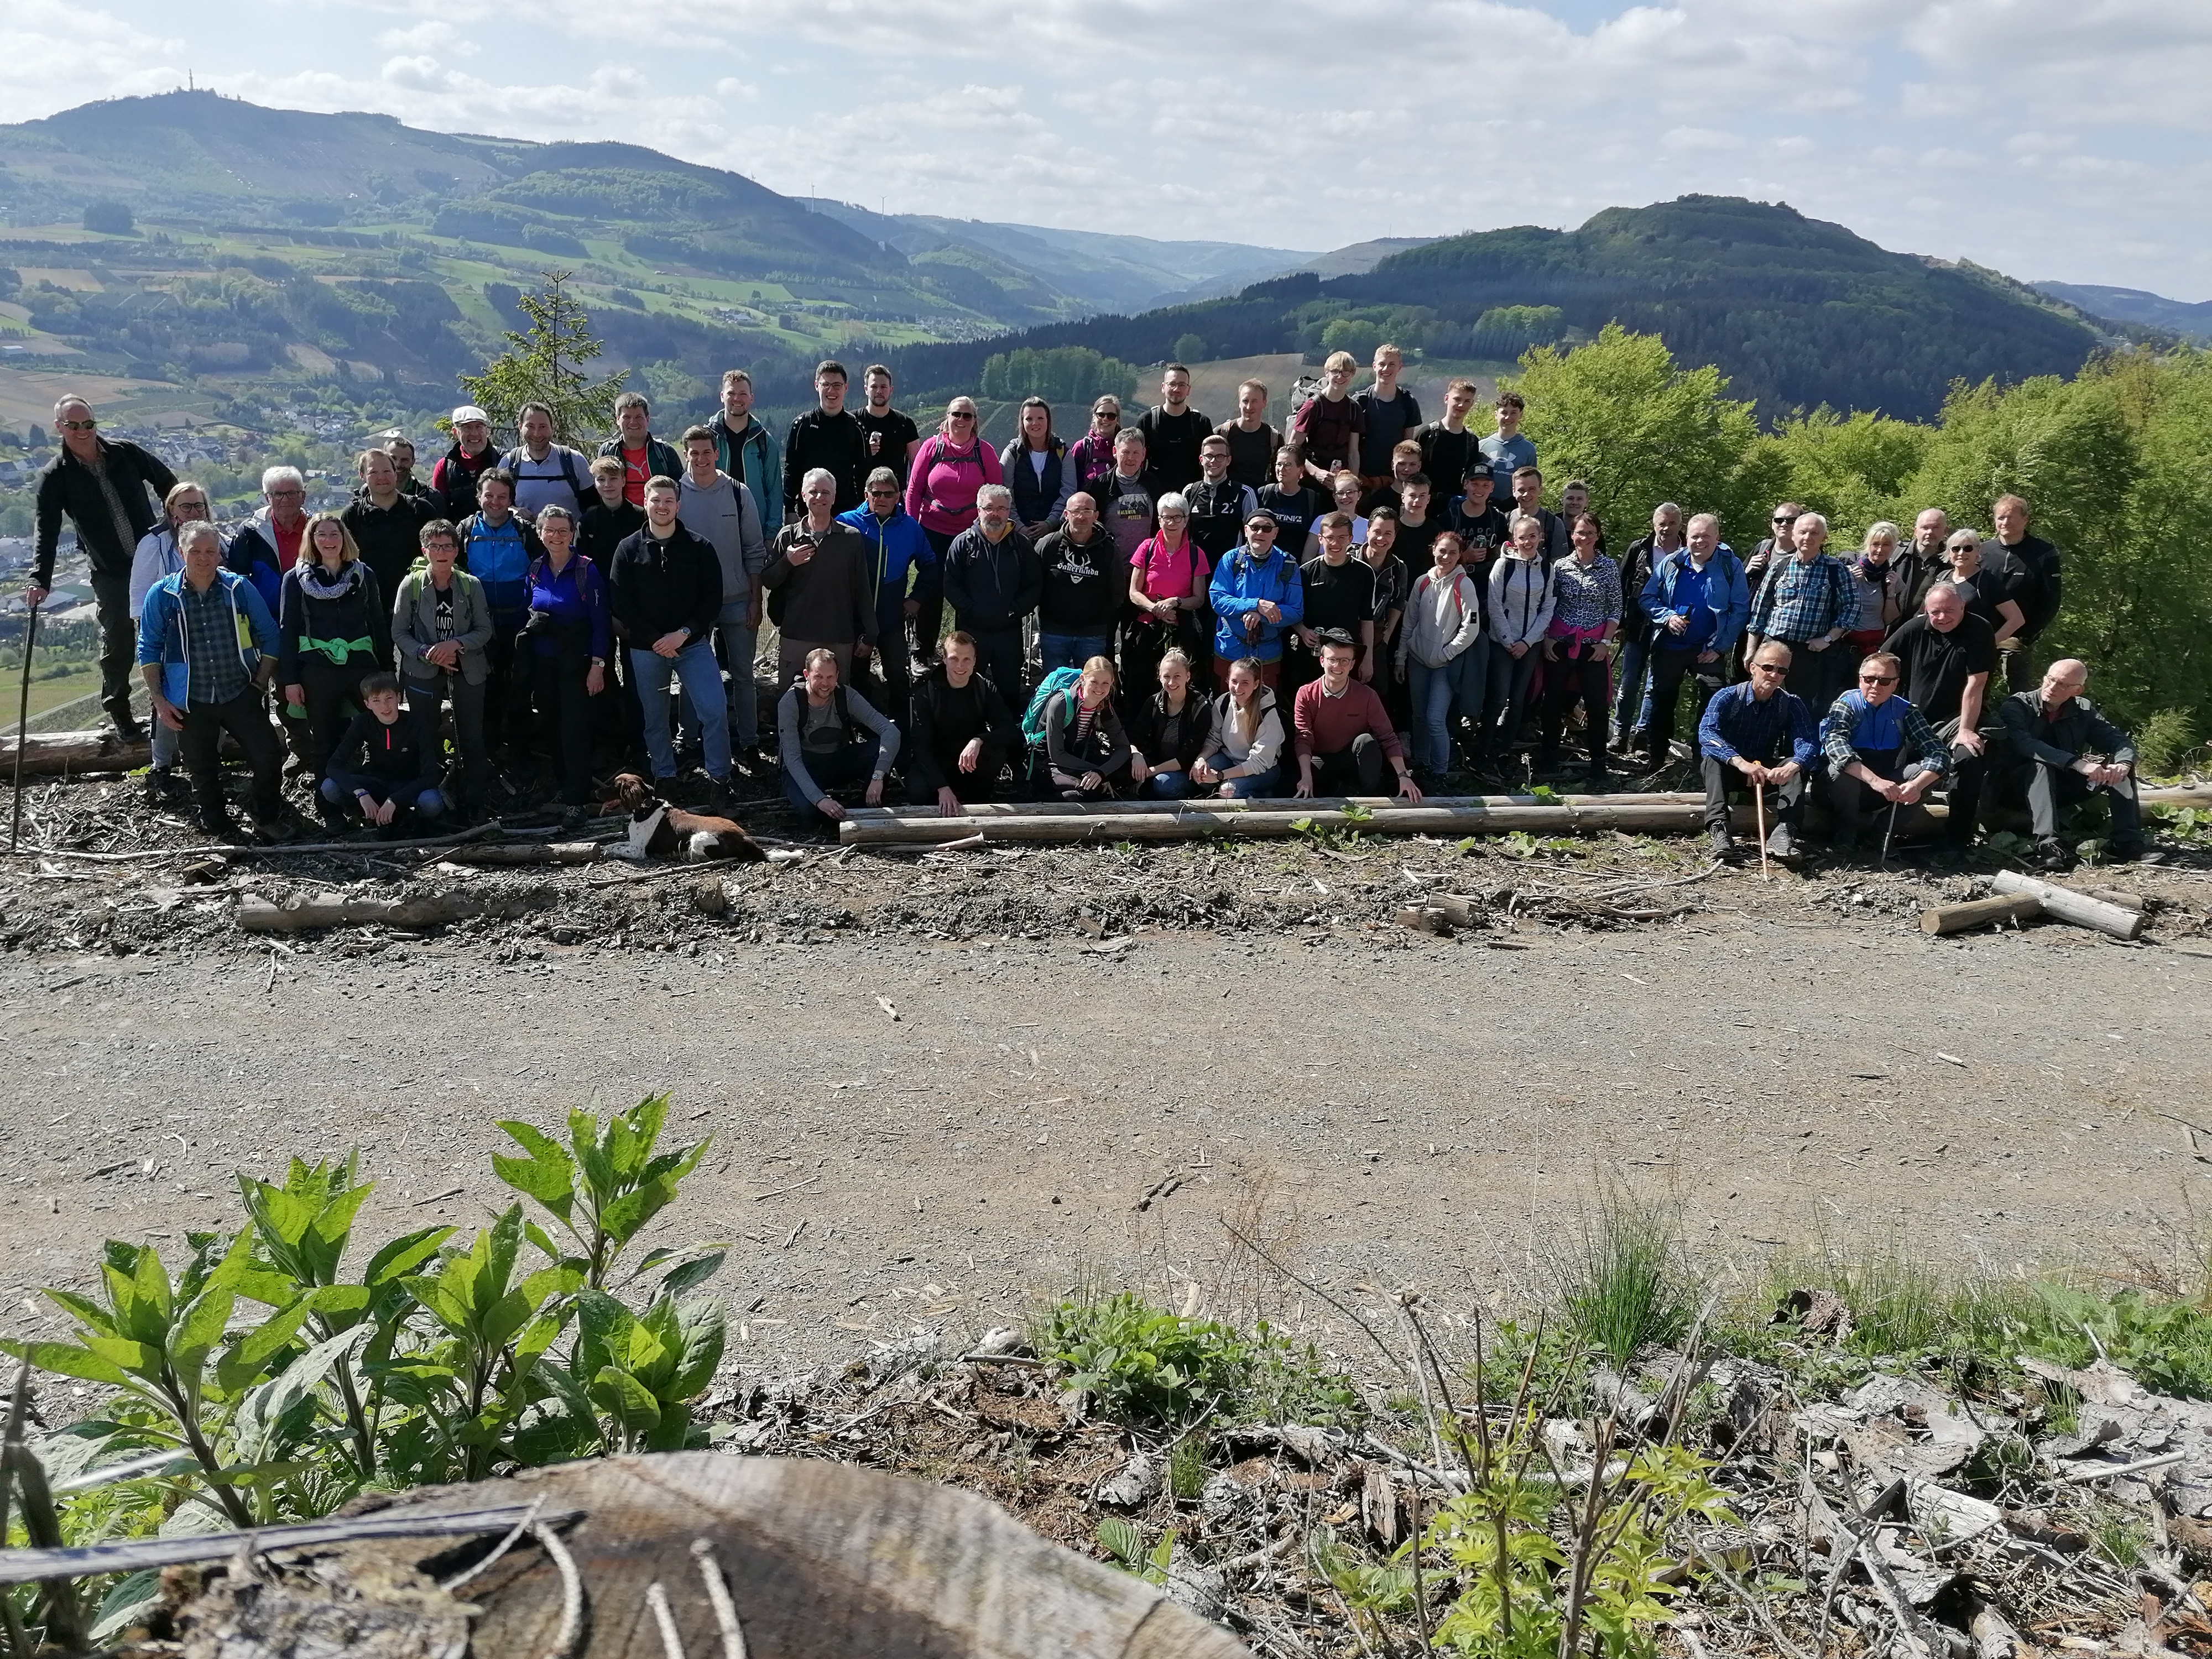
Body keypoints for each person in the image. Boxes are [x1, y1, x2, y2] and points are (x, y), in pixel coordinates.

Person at [136, 521, 287, 843]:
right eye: (195, 551)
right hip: (190, 699)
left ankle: (265, 816)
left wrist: (259, 685)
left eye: (211, 551)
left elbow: (271, 635)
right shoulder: (162, 596)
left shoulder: (238, 589)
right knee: (202, 770)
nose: (203, 558)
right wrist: (160, 702)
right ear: (181, 552)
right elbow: (148, 648)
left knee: (269, 756)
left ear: (220, 554)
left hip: (239, 691)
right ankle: (218, 827)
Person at [608, 475, 729, 790]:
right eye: (655, 500)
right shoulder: (627, 549)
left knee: (714, 710)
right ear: (645, 503)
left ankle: (719, 777)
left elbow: (712, 599)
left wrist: (684, 633)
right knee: (655, 719)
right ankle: (665, 774)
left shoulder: (700, 547)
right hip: (647, 650)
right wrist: (654, 639)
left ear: (679, 504)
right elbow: (621, 601)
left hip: (692, 645)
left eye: (668, 501)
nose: (662, 506)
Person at [278, 512, 391, 825]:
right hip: (317, 670)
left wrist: (388, 671)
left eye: (335, 534)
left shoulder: (363, 575)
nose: (329, 541)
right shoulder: (295, 579)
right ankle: (329, 807)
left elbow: (378, 623)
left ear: (345, 539)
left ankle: (383, 801)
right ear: (312, 541)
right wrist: (290, 680)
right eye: (322, 535)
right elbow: (288, 631)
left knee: (380, 733)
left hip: (361, 668)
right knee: (324, 742)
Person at [1995, 659, 2156, 869]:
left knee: (2121, 766)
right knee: (2041, 766)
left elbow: (2118, 741)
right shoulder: (2017, 706)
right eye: (2050, 680)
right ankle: (2049, 847)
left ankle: (2128, 843)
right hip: (2012, 788)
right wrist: (2076, 763)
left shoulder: (2083, 710)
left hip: (2062, 787)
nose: (2052, 688)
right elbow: (2026, 745)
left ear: (2078, 690)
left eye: (2062, 685)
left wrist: (2123, 763)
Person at [1881, 583, 1996, 863]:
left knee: (1968, 756)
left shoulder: (1978, 629)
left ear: (1962, 607)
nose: (1942, 617)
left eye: (1949, 611)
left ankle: (1957, 838)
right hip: (1913, 715)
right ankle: (1879, 832)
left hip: (1956, 717)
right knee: (1891, 761)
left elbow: (1976, 683)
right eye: (1936, 612)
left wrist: (1967, 729)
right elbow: (1882, 661)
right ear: (1926, 611)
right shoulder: (1914, 628)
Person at [391, 519, 494, 819]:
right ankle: (431, 800)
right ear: (425, 550)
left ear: (457, 551)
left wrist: (456, 645)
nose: (442, 552)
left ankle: (473, 802)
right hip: (422, 671)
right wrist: (427, 653)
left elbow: (484, 630)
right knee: (426, 736)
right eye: (435, 546)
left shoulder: (470, 585)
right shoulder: (410, 586)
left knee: (471, 737)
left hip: (468, 669)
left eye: (448, 546)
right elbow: (399, 633)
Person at [677, 426, 769, 759]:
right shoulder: (675, 493)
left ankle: (749, 742)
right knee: (692, 677)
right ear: (686, 454)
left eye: (707, 452)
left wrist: (755, 600)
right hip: (692, 606)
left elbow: (754, 550)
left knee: (745, 675)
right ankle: (688, 742)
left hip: (737, 599)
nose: (701, 459)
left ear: (717, 453)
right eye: (694, 452)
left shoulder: (737, 492)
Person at [521, 504, 611, 825]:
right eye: (550, 530)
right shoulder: (534, 569)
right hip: (544, 661)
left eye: (563, 530)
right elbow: (528, 613)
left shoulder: (588, 571)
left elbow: (602, 624)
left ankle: (577, 799)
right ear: (540, 533)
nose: (556, 536)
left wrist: (598, 666)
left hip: (579, 663)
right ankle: (564, 786)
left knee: (575, 729)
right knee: (552, 725)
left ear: (573, 534)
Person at [1638, 513, 1750, 769]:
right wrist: (1667, 617)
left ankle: (1704, 758)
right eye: (1695, 536)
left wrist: (1720, 647)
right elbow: (1647, 598)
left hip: (1707, 649)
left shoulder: (1729, 566)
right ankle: (1656, 758)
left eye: (1706, 537)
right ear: (1686, 538)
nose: (1700, 541)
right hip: (1670, 645)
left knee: (1714, 698)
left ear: (1717, 538)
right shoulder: (1671, 563)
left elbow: (1740, 609)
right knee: (1662, 700)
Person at [128, 479, 216, 799]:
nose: (194, 512)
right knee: (165, 702)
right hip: (169, 636)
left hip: (211, 634)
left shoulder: (218, 540)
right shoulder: (153, 544)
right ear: (171, 511)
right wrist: (149, 641)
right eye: (186, 506)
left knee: (210, 700)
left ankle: (207, 765)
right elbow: (139, 600)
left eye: (199, 506)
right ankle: (161, 767)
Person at [1819, 651, 1949, 857]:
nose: (1875, 686)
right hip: (1837, 790)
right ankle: (1846, 832)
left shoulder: (1906, 710)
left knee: (1929, 773)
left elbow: (1940, 754)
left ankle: (1882, 834)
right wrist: (1875, 781)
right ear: (1860, 679)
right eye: (1869, 679)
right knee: (1839, 771)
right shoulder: (1845, 705)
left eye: (1884, 681)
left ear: (1895, 683)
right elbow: (1836, 747)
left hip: (1884, 786)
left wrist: (1916, 785)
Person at [1698, 641, 1817, 863]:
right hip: (1731, 769)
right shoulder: (1727, 697)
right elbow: (1707, 733)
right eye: (1768, 668)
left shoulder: (1790, 704)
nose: (1774, 675)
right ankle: (1719, 830)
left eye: (1782, 670)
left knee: (1796, 765)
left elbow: (1809, 741)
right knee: (1712, 760)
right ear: (1753, 667)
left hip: (1765, 772)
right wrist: (1740, 762)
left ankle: (1784, 831)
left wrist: (1793, 766)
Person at [837, 466, 938, 727]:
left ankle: (902, 730)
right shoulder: (847, 522)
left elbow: (930, 565)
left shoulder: (910, 528)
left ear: (899, 496)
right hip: (855, 617)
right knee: (857, 675)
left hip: (892, 616)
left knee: (897, 675)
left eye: (888, 493)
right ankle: (864, 729)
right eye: (876, 493)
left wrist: (917, 598)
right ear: (866, 494)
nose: (881, 498)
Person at [764, 468, 875, 688]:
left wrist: (871, 633)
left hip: (839, 636)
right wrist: (787, 561)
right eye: (813, 491)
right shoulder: (788, 536)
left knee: (836, 700)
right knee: (790, 700)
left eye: (826, 492)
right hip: (796, 635)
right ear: (803, 496)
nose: (819, 497)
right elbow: (768, 580)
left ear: (834, 498)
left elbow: (862, 589)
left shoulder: (851, 539)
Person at [456, 468, 541, 750]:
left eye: (502, 497)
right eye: (489, 495)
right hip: (478, 620)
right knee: (485, 687)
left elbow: (543, 568)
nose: (495, 502)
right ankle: (488, 750)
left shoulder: (524, 531)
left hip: (517, 618)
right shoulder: (465, 530)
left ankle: (520, 750)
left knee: (520, 687)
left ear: (510, 499)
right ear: (478, 496)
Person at [778, 648, 899, 834]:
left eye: (830, 677)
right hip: (804, 767)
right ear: (806, 675)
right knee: (809, 812)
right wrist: (820, 800)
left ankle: (868, 805)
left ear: (838, 675)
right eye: (818, 677)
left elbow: (890, 731)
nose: (825, 684)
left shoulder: (846, 696)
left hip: (836, 760)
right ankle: (832, 812)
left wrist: (878, 775)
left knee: (879, 749)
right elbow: (793, 759)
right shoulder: (790, 703)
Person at [1745, 510, 1855, 714]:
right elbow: (1760, 610)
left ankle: (1794, 748)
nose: (1807, 538)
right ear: (1794, 535)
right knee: (1760, 702)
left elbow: (1852, 608)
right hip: (1773, 645)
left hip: (1809, 652)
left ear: (1824, 537)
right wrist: (1752, 650)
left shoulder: (1835, 570)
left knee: (1801, 710)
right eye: (1803, 532)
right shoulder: (1779, 566)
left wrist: (1829, 639)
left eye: (1814, 533)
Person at [940, 483, 1041, 705]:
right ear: (978, 510)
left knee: (1009, 691)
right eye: (989, 508)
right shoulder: (963, 544)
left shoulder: (1021, 545)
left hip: (1009, 631)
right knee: (966, 689)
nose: (995, 514)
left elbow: (1034, 586)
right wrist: (972, 611)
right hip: (972, 632)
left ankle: (1008, 735)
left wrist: (1015, 611)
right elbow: (950, 585)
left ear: (1009, 511)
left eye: (1002, 508)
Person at [1398, 530, 1485, 785]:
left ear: (1460, 556)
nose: (1446, 557)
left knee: (1436, 719)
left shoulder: (1464, 584)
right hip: (1417, 660)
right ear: (1433, 550)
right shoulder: (1422, 582)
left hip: (1445, 666)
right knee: (1418, 717)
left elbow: (1472, 627)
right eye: (1442, 551)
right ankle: (1422, 766)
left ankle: (1440, 774)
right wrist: (1401, 657)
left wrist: (1447, 652)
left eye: (1453, 553)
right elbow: (1409, 622)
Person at [1538, 512, 1621, 779]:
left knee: (1597, 704)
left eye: (1590, 533)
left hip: (1594, 645)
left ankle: (1599, 761)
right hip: (1561, 642)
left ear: (1597, 537)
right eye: (1580, 532)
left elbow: (1615, 608)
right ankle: (1548, 756)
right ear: (1572, 535)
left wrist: (1606, 642)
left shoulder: (1609, 567)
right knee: (1552, 701)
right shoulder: (1559, 567)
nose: (1584, 538)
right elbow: (1549, 604)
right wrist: (1547, 638)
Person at [1292, 632, 1420, 800]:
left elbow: (1387, 737)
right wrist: (1306, 776)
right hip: (1320, 759)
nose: (1338, 666)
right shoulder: (1306, 694)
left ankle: (1368, 795)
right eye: (1333, 660)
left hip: (1352, 757)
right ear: (1322, 661)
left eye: (1344, 661)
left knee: (1367, 742)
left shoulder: (1367, 695)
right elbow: (1303, 737)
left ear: (1352, 665)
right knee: (1298, 780)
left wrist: (1404, 776)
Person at [321, 671, 447, 837]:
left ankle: (412, 820)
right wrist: (361, 793)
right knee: (329, 787)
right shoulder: (363, 722)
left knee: (431, 802)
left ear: (399, 697)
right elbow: (334, 765)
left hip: (410, 786)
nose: (385, 706)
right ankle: (369, 815)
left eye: (389, 698)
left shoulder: (416, 723)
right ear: (367, 704)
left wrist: (395, 799)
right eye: (376, 701)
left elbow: (431, 775)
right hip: (376, 783)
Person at [907, 632, 1016, 815]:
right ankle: (947, 797)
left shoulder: (984, 688)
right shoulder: (926, 694)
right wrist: (941, 786)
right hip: (938, 762)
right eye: (954, 659)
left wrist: (979, 740)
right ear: (944, 659)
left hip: (971, 763)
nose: (960, 666)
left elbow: (1009, 731)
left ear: (975, 661)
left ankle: (977, 799)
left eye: (967, 659)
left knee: (996, 752)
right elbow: (921, 747)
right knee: (917, 792)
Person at [1480, 514, 1558, 771]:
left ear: (1541, 538)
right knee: (1498, 697)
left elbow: (1547, 608)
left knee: (1518, 700)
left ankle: (1504, 751)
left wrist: (1527, 641)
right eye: (1522, 537)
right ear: (1514, 539)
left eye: (1532, 537)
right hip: (1502, 642)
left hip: (1530, 644)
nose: (1527, 542)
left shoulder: (1547, 569)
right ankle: (1483, 748)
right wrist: (1507, 640)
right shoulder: (1504, 566)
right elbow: (1494, 605)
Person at [1611, 504, 1683, 755]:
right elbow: (1622, 584)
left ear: (1680, 525)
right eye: (1662, 523)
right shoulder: (1638, 549)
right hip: (1637, 625)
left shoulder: (1689, 552)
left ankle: (1642, 736)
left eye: (1672, 523)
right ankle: (1620, 733)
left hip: (1670, 629)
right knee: (1629, 682)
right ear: (1654, 524)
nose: (1666, 528)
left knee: (1655, 684)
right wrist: (1619, 623)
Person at [1125, 492, 1211, 694]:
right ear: (1159, 519)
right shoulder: (1147, 548)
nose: (1171, 523)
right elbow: (1134, 592)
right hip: (1147, 625)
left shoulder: (1196, 554)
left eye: (1177, 517)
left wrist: (1175, 603)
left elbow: (1199, 599)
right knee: (1141, 682)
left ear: (1186, 519)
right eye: (1166, 517)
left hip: (1180, 627)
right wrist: (1156, 609)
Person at [905, 396, 1004, 567]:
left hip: (972, 534)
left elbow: (997, 496)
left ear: (974, 421)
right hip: (932, 532)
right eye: (956, 414)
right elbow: (914, 490)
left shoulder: (986, 452)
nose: (961, 419)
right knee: (932, 587)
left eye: (967, 416)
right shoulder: (930, 448)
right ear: (948, 417)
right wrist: (912, 530)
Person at [1208, 513, 1303, 688]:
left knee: (1266, 709)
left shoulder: (1288, 564)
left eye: (1267, 528)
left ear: (1275, 533)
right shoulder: (1231, 559)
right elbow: (1217, 599)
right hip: (1229, 649)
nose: (1260, 532)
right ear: (1246, 531)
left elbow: (1296, 611)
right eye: (1254, 527)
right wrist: (1256, 604)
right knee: (1224, 708)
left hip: (1267, 654)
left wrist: (1262, 615)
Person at [1035, 491, 1123, 677]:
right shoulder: (1048, 545)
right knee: (1054, 687)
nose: (1081, 517)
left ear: (1096, 516)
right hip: (1054, 632)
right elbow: (1033, 583)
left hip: (1093, 634)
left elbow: (1117, 592)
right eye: (1076, 511)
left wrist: (1098, 617)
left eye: (1087, 511)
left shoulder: (1108, 550)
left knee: (1091, 688)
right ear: (1066, 514)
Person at [1290, 512, 1377, 695]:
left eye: (1341, 538)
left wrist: (1368, 658)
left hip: (1346, 657)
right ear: (1320, 539)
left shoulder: (1364, 573)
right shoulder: (1305, 572)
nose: (1335, 544)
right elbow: (1293, 613)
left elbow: (1367, 619)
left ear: (1351, 539)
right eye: (1330, 538)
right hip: (1312, 654)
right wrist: (1303, 631)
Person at [1040, 655, 1138, 801]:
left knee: (1132, 770)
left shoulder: (1104, 706)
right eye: (1094, 682)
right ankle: (1049, 798)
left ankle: (1088, 793)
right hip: (1049, 765)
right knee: (1093, 788)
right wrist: (1095, 772)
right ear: (1083, 679)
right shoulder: (1060, 704)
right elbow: (1057, 755)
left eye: (1105, 683)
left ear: (1112, 682)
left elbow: (1123, 748)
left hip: (1078, 759)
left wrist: (1101, 773)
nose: (1100, 688)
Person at [783, 361, 872, 520]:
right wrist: (789, 510)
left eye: (837, 385)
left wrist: (863, 512)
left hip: (847, 514)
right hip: (808, 512)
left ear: (846, 387)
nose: (831, 390)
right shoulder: (802, 425)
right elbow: (791, 471)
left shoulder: (857, 428)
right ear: (817, 385)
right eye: (826, 384)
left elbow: (864, 474)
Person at [1990, 494, 2061, 690]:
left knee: (2019, 690)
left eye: (2010, 518)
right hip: (1983, 632)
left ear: (2025, 520)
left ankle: (2021, 719)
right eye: (2000, 518)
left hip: (2018, 636)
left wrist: (2027, 635)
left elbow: (2051, 600)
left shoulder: (2043, 553)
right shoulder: (1983, 551)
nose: (2005, 522)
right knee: (1974, 684)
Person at [345, 447, 432, 601]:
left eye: (386, 471)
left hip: (417, 600)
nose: (382, 477)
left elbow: (443, 551)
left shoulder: (420, 510)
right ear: (362, 476)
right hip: (368, 603)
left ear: (395, 473)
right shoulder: (352, 516)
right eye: (373, 472)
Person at [1192, 657, 1286, 797]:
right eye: (1234, 682)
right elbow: (1214, 738)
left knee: (1227, 791)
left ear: (1256, 684)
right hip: (1230, 759)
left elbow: (1258, 763)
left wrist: (1220, 776)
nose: (1238, 688)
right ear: (1227, 680)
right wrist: (1201, 759)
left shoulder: (1267, 714)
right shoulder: (1223, 703)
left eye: (1245, 683)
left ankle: (1263, 797)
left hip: (1264, 770)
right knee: (1201, 775)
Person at [223, 465, 309, 614]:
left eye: (291, 493)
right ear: (267, 498)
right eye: (278, 494)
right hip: (267, 619)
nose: (285, 499)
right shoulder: (250, 533)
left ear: (303, 496)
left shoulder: (317, 530)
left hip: (314, 618)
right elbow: (237, 583)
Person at [1129, 649, 1212, 799]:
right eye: (1166, 677)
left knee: (1163, 784)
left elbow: (1186, 758)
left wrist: (1150, 772)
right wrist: (1136, 755)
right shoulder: (1153, 702)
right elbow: (1134, 737)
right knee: (1123, 765)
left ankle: (1196, 797)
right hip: (1156, 762)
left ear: (1188, 676)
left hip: (1186, 770)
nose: (1171, 682)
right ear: (1159, 677)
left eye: (1177, 676)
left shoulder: (1200, 708)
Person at [707, 369, 782, 523]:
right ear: (722, 396)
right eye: (731, 393)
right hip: (714, 524)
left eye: (743, 394)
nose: (737, 399)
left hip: (755, 525)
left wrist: (772, 532)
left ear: (751, 398)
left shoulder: (765, 442)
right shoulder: (707, 439)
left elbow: (775, 493)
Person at [500, 403, 592, 520]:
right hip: (523, 538)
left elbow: (592, 507)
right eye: (530, 426)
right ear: (520, 427)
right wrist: (512, 510)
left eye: (543, 427)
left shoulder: (574, 461)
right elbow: (496, 504)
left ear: (552, 428)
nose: (537, 434)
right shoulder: (509, 463)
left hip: (567, 538)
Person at [1000, 397, 1073, 538]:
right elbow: (1005, 494)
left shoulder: (1063, 452)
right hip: (1018, 533)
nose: (1035, 423)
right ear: (1022, 422)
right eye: (1029, 419)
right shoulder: (1012, 453)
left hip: (1055, 533)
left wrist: (1050, 523)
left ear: (1048, 421)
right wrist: (1019, 526)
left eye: (1040, 418)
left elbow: (1069, 492)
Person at [1944, 529, 2027, 649]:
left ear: (1978, 551)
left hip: (1973, 653)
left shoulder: (1988, 581)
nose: (1961, 553)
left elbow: (2016, 619)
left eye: (1968, 549)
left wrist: (1989, 645)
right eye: (1956, 549)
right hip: (1943, 649)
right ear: (1949, 553)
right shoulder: (1942, 577)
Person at [1136, 364, 1212, 496]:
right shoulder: (1147, 421)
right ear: (1163, 387)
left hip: (1193, 498)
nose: (1177, 389)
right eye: (1172, 384)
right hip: (1155, 498)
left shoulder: (1201, 423)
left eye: (1182, 385)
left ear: (1188, 390)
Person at [598, 393, 681, 509]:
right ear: (617, 420)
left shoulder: (665, 452)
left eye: (638, 417)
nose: (633, 422)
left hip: (657, 518)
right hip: (618, 519)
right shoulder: (608, 451)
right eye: (626, 417)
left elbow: (678, 491)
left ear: (647, 419)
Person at [1353, 344, 1421, 486]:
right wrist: (1356, 481)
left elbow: (1408, 448)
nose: (1386, 369)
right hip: (1364, 480)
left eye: (1392, 364)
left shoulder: (1408, 402)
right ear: (1374, 366)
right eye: (1382, 364)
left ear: (1400, 367)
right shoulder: (1360, 401)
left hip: (1394, 482)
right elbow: (1351, 448)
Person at [1184, 433, 1258, 564]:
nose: (1213, 461)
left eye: (1219, 457)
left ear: (1228, 460)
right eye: (1209, 456)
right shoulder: (1190, 491)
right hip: (1196, 568)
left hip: (1230, 569)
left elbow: (1255, 534)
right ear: (1201, 459)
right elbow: (1182, 532)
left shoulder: (1244, 493)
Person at [1292, 352, 1365, 483]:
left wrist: (1352, 484)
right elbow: (1292, 448)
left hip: (1340, 480)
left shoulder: (1354, 409)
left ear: (1353, 373)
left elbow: (1353, 453)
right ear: (1326, 372)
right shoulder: (1312, 407)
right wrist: (1316, 472)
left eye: (1345, 372)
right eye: (1335, 371)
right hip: (1312, 480)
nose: (1340, 377)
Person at [1844, 521, 1911, 659]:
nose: (1880, 550)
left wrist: (1891, 593)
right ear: (1868, 545)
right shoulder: (1849, 571)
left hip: (1873, 644)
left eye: (1886, 545)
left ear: (1893, 548)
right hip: (1844, 643)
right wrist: (1847, 582)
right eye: (1876, 544)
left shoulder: (1893, 579)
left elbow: (1889, 620)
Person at [1093, 429, 1157, 566]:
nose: (1131, 458)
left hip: (1145, 567)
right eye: (1126, 452)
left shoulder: (1153, 484)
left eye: (1136, 453)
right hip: (1109, 567)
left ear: (1144, 454)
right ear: (1115, 452)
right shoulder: (1100, 485)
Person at [1415, 379, 1480, 503]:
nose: (1461, 405)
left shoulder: (1471, 441)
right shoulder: (1428, 434)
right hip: (1424, 505)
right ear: (1446, 399)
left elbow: (1472, 478)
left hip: (1455, 507)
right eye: (1457, 399)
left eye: (1467, 401)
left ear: (1472, 404)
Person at [855, 363, 921, 486]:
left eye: (884, 387)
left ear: (891, 390)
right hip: (859, 497)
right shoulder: (853, 422)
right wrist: (863, 451)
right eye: (874, 387)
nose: (879, 391)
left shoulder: (905, 423)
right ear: (866, 389)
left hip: (895, 498)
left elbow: (918, 465)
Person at [431, 405, 501, 519]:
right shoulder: (444, 468)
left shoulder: (503, 460)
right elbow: (440, 512)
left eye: (479, 427)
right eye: (467, 428)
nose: (474, 434)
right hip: (460, 534)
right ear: (455, 432)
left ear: (487, 431)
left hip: (502, 534)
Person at [1255, 442, 1323, 559]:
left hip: (1296, 566)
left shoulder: (1312, 499)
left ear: (1300, 469)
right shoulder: (1264, 493)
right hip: (1265, 564)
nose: (1281, 469)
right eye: (1279, 464)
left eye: (1287, 465)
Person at [578, 456, 645, 564]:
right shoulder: (587, 521)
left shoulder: (641, 516)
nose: (607, 485)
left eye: (613, 479)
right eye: (601, 479)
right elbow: (581, 560)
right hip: (598, 579)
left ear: (623, 481)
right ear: (594, 483)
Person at [1446, 463, 1510, 571]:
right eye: (1475, 484)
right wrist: (1465, 557)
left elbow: (1503, 558)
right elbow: (1438, 559)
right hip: (1456, 581)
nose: (1480, 490)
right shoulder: (1449, 518)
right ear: (1466, 484)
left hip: (1489, 582)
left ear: (1492, 487)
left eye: (1486, 485)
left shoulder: (1498, 519)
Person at [1222, 379, 1281, 489]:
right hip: (1227, 500)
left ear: (1264, 403)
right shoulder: (1223, 433)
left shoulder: (1274, 439)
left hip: (1260, 500)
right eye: (1245, 401)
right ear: (1239, 403)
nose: (1249, 407)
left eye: (1254, 401)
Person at [1478, 391, 1536, 502]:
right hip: (1483, 504)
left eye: (1514, 413)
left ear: (1521, 415)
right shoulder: (1482, 446)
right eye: (1504, 413)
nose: (1508, 417)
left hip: (1513, 506)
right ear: (1496, 415)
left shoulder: (1528, 449)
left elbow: (1531, 483)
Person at [1506, 466, 1569, 564]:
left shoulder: (1554, 524)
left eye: (1532, 489)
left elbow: (1559, 562)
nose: (1526, 494)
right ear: (1514, 491)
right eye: (1521, 490)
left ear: (1540, 490)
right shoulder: (1504, 520)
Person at [1897, 507, 1953, 615]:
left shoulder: (1951, 562)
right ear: (1916, 531)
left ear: (1945, 531)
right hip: (1890, 627)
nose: (1930, 532)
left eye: (1936, 527)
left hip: (1928, 627)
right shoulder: (1897, 555)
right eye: (1925, 527)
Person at [1068, 396, 1124, 499]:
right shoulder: (1082, 448)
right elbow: (1069, 485)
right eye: (1101, 415)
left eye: (1111, 416)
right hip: (1089, 512)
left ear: (1118, 419)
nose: (1105, 419)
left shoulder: (1126, 449)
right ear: (1094, 417)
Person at [1743, 501, 1803, 589]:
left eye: (1791, 521)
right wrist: (1747, 572)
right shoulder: (1762, 547)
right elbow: (1736, 584)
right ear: (1772, 524)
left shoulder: (1805, 555)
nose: (1784, 524)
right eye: (1779, 520)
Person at [1360, 440, 1425, 517]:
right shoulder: (1378, 500)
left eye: (1412, 464)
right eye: (1402, 464)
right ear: (1393, 465)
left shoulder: (1425, 501)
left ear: (1419, 466)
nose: (1407, 469)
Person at [1390, 474, 1439, 570]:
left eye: (1422, 496)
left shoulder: (1436, 531)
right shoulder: (1392, 529)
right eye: (1412, 495)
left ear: (1428, 499)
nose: (1417, 501)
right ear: (1403, 498)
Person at [1324, 469, 1369, 550]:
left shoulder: (1367, 525)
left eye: (1350, 492)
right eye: (1341, 493)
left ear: (1359, 495)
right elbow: (1308, 557)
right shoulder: (1321, 521)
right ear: (1334, 496)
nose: (1345, 497)